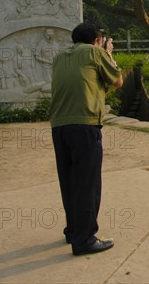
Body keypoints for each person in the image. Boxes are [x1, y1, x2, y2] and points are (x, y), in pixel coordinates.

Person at [50, 23, 123, 256]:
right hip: (85, 125)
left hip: (59, 126)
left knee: (70, 181)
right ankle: (84, 239)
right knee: (88, 184)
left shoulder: (60, 57)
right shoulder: (95, 52)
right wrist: (108, 54)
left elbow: (90, 83)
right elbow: (117, 81)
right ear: (97, 41)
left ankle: (73, 230)